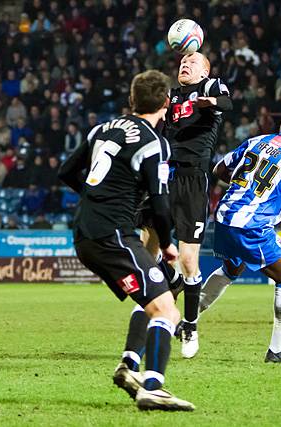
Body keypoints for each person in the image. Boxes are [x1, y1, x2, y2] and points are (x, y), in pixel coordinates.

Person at [58, 70, 194, 411]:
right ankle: (154, 388)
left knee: (152, 300)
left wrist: (96, 197)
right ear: (166, 103)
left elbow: (65, 171)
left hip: (85, 234)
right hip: (113, 235)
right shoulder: (154, 142)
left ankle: (130, 366)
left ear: (132, 100)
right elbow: (160, 205)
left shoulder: (103, 128)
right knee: (167, 309)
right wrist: (167, 244)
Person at [196, 107, 281, 362]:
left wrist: (243, 187)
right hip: (251, 225)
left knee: (231, 269)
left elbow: (218, 170)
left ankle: (188, 321)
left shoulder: (256, 141)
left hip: (224, 216)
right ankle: (277, 350)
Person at [141, 52, 232, 359]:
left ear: (205, 71)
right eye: (183, 61)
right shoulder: (170, 96)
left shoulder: (211, 87)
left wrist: (209, 102)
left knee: (189, 259)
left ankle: (190, 326)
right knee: (146, 247)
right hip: (166, 174)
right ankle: (167, 292)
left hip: (193, 178)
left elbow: (228, 104)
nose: (185, 63)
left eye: (193, 61)